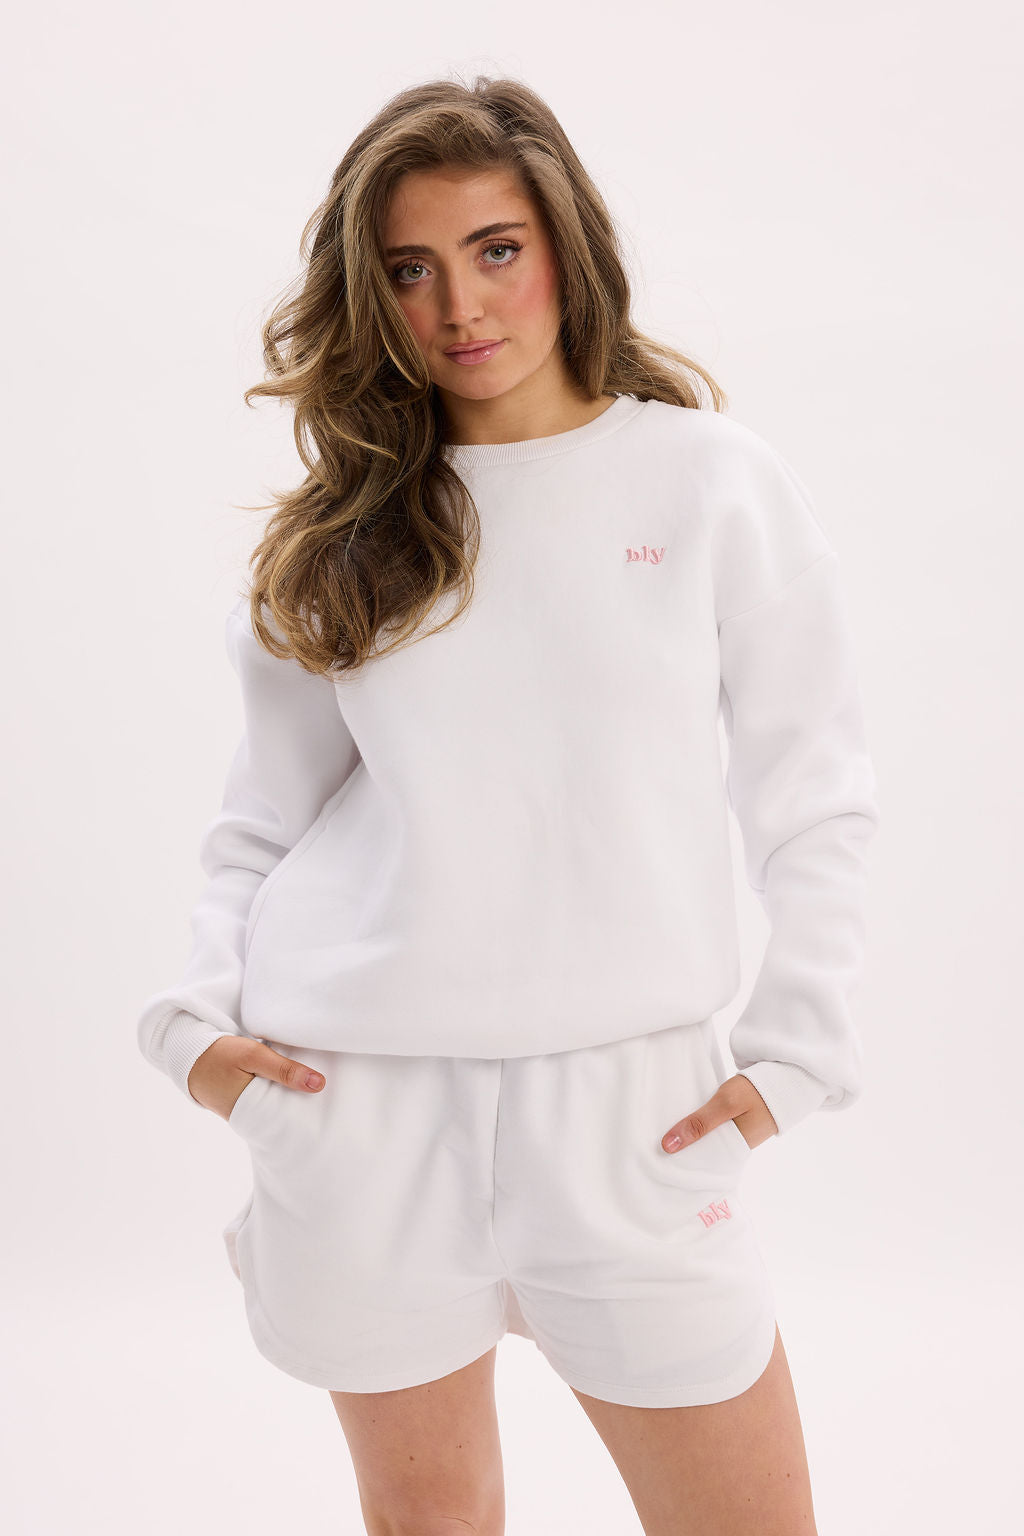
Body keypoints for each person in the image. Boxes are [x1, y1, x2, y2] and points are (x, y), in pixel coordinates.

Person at [136, 74, 880, 1536]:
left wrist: (798, 1049)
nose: (458, 305)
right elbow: (263, 824)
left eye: (495, 249)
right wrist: (197, 1031)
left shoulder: (707, 483)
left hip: (636, 1115)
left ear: (566, 248)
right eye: (408, 269)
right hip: (360, 1106)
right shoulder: (350, 532)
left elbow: (817, 794)